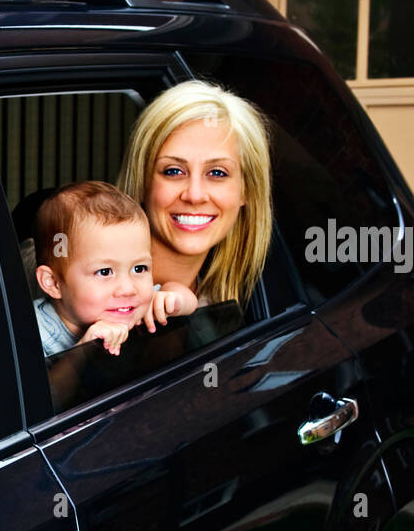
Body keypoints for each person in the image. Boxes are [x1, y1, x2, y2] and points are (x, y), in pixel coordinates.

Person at [116, 80, 273, 310]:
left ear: (246, 190)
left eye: (217, 173)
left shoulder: (216, 306)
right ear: (142, 182)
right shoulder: (96, 305)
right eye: (173, 171)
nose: (195, 195)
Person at [31, 181, 195, 358]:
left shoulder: (135, 306)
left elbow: (190, 302)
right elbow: (50, 386)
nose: (128, 289)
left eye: (139, 268)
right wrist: (84, 351)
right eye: (104, 272)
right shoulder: (31, 331)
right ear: (54, 283)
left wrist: (172, 299)